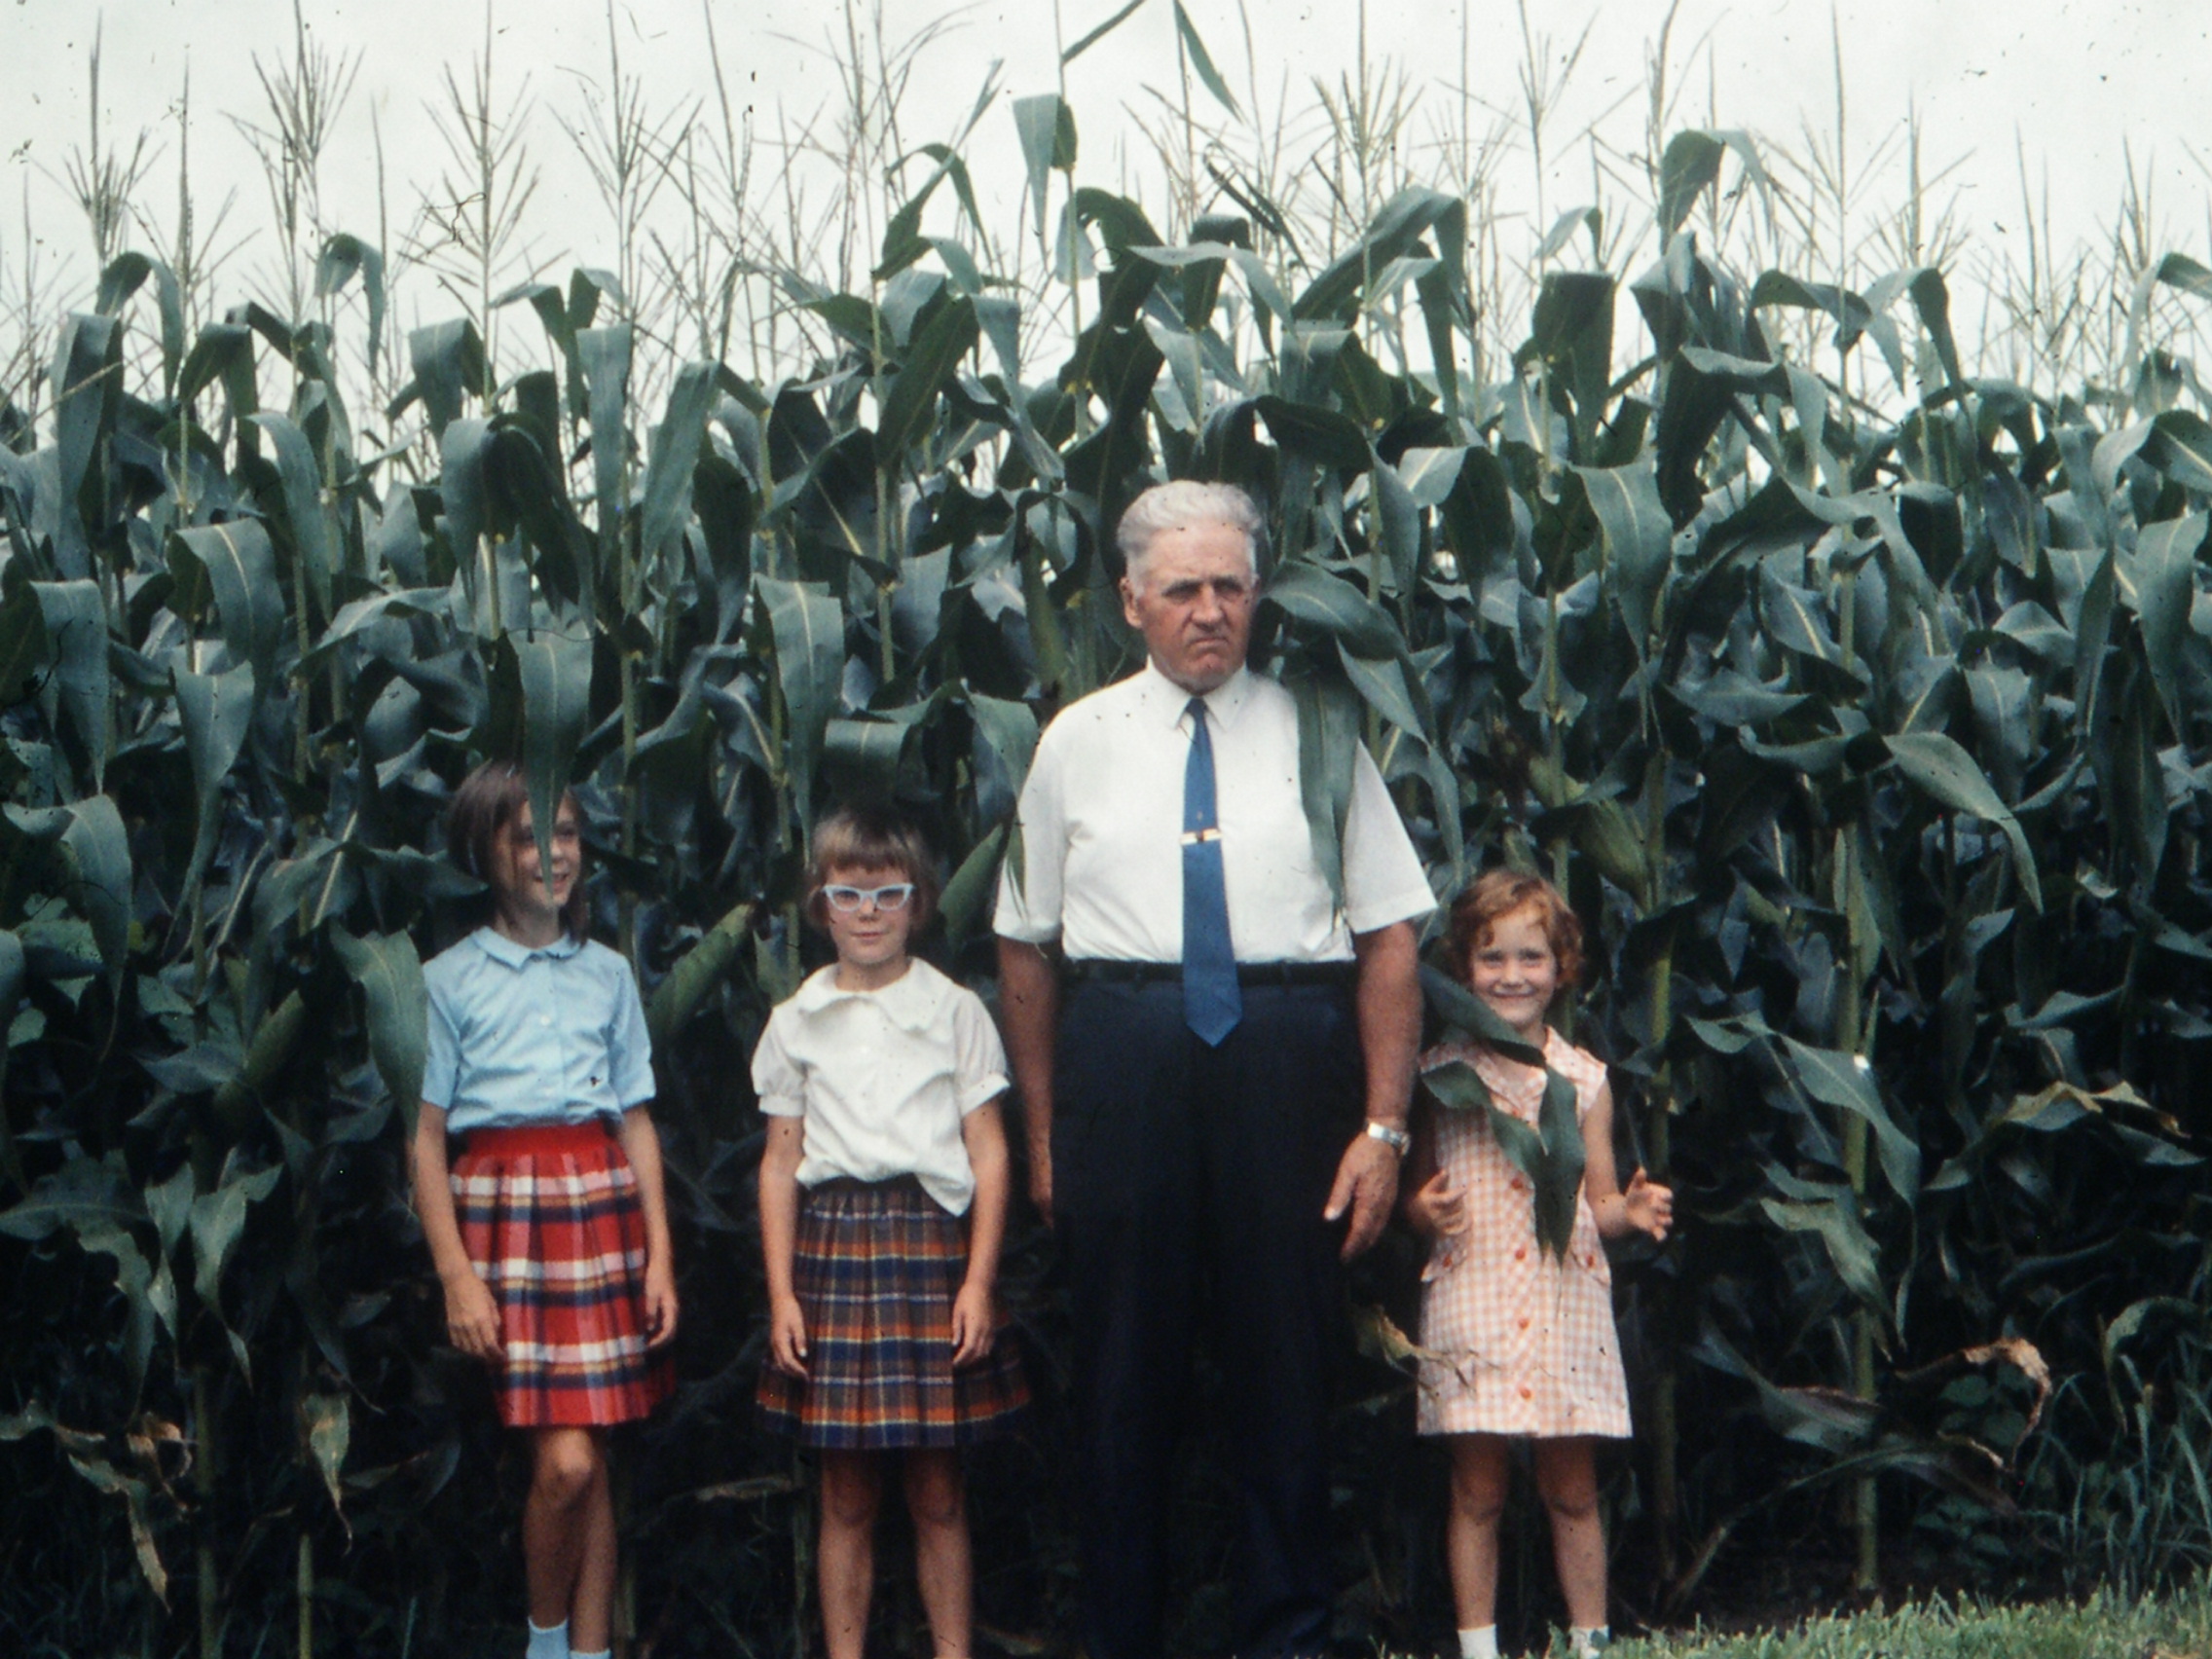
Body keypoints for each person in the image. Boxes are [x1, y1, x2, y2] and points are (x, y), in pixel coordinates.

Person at [994, 479, 1434, 1659]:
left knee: (1286, 1363)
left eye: (1229, 587)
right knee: (1122, 1371)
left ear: (1258, 595)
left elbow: (1390, 935)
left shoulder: (1320, 730)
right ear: (1129, 601)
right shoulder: (1075, 742)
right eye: (1180, 589)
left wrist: (1381, 1131)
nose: (1208, 612)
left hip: (1286, 1061)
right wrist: (1044, 1137)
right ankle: (1119, 1634)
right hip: (1124, 1056)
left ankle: (1287, 1633)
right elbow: (1026, 944)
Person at [410, 761, 678, 1659]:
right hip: (505, 1230)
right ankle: (546, 1641)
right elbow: (425, 1140)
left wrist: (661, 1258)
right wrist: (457, 1277)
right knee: (564, 1464)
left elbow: (634, 1120)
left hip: (599, 1217)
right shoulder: (447, 979)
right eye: (528, 837)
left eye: (564, 833)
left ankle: (587, 1654)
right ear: (484, 854)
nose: (552, 853)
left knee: (589, 1462)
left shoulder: (606, 974)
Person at [755, 806, 1028, 1659]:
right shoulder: (796, 1021)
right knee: (844, 1492)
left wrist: (979, 1283)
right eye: (848, 895)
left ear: (918, 905)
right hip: (832, 1254)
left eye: (888, 895)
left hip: (929, 1251)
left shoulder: (954, 1012)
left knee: (939, 1487)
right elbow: (777, 1166)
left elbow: (989, 1151)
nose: (868, 913)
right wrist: (781, 1297)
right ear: (820, 906)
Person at [1403, 869, 1674, 1659]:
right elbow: (1417, 1196)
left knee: (1572, 1489)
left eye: (1531, 957)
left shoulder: (1583, 1080)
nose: (1512, 976)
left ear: (1562, 969)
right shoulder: (1440, 1075)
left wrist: (1635, 1210)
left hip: (1562, 1304)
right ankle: (1479, 1649)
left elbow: (1598, 1202)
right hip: (1473, 1294)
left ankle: (1592, 1645)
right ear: (1462, 970)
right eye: (1492, 959)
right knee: (1477, 1490)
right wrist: (1425, 1213)